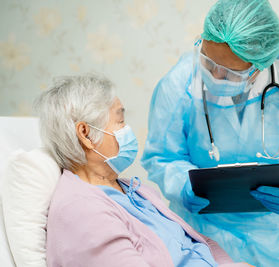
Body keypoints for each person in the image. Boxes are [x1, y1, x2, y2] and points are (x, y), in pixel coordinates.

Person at [141, 0, 279, 266]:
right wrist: (182, 184)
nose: (215, 75)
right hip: (206, 235)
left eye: (228, 72)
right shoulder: (178, 84)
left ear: (258, 65)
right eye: (208, 61)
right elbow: (162, 154)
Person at [35, 74, 250, 267]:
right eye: (120, 121)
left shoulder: (132, 190)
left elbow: (196, 244)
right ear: (85, 133)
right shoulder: (81, 210)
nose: (127, 130)